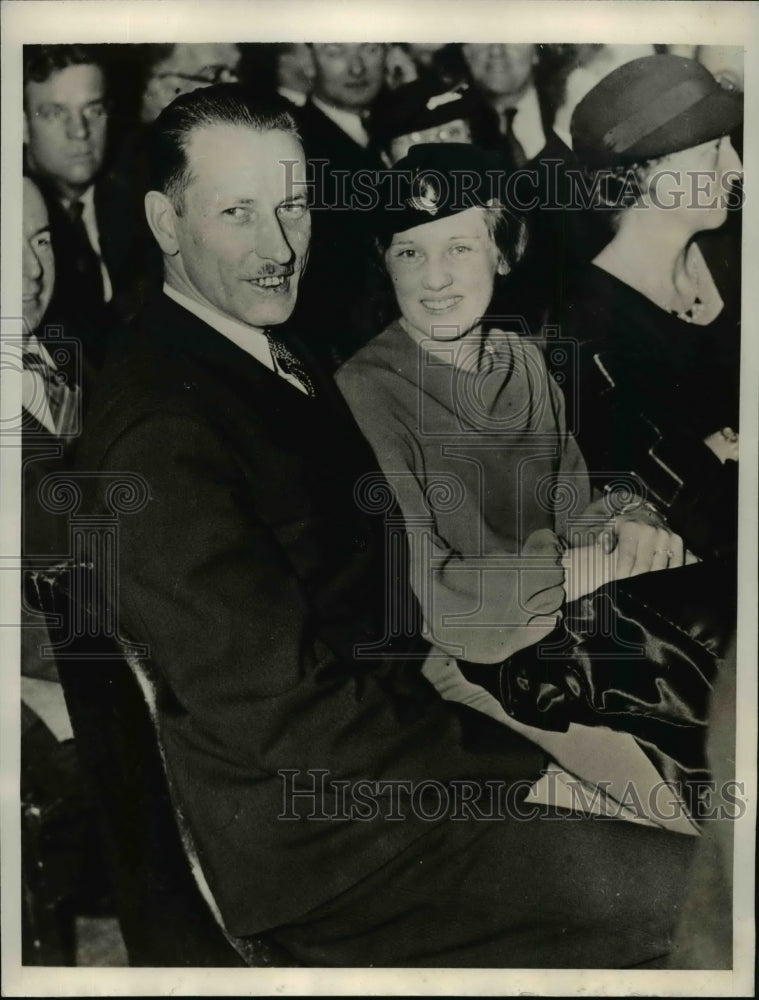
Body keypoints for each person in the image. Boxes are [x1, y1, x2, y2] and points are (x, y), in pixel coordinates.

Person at [74, 84, 701, 969]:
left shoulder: (264, 359)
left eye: (292, 206)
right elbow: (284, 721)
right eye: (238, 213)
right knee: (702, 905)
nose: (277, 246)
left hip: (399, 767)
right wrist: (521, 779)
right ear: (165, 223)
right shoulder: (162, 433)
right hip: (337, 846)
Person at [547, 54, 743, 560]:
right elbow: (673, 505)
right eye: (715, 151)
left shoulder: (735, 257)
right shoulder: (589, 328)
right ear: (645, 174)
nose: (736, 168)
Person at [23, 44, 144, 368]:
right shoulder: (20, 226)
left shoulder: (138, 196)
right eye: (54, 113)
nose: (79, 132)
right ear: (20, 125)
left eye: (93, 110)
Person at [291, 43, 388, 366]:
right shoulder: (297, 147)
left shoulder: (397, 127)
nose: (357, 68)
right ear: (307, 60)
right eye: (336, 52)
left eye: (370, 49)